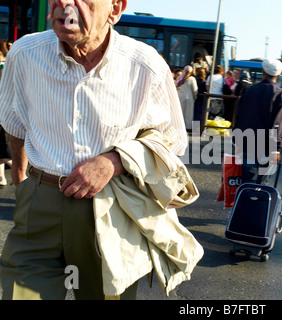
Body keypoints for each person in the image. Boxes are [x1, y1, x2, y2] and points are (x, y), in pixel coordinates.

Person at [0, 0, 189, 300]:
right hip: (39, 204)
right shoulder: (24, 54)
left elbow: (172, 141)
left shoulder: (145, 65)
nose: (64, 4)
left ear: (115, 8)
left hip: (111, 212)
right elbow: (15, 125)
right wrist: (22, 182)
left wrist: (114, 161)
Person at [233, 58, 282, 185]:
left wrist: (237, 141)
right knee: (262, 183)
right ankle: (257, 204)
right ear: (278, 75)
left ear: (263, 72)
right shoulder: (280, 94)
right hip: (267, 147)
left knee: (246, 181)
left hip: (247, 143)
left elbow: (239, 116)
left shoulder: (249, 90)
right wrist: (276, 149)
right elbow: (277, 125)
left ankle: (244, 204)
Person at [0, 40, 12, 186]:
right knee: (1, 146)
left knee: (2, 148)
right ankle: (1, 176)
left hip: (2, 113)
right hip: (5, 112)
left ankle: (23, 172)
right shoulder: (8, 67)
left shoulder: (3, 68)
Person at [176, 65, 198, 130]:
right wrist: (195, 97)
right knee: (188, 113)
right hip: (189, 97)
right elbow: (195, 90)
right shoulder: (192, 79)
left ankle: (179, 126)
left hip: (180, 96)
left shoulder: (179, 77)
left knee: (180, 112)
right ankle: (187, 126)